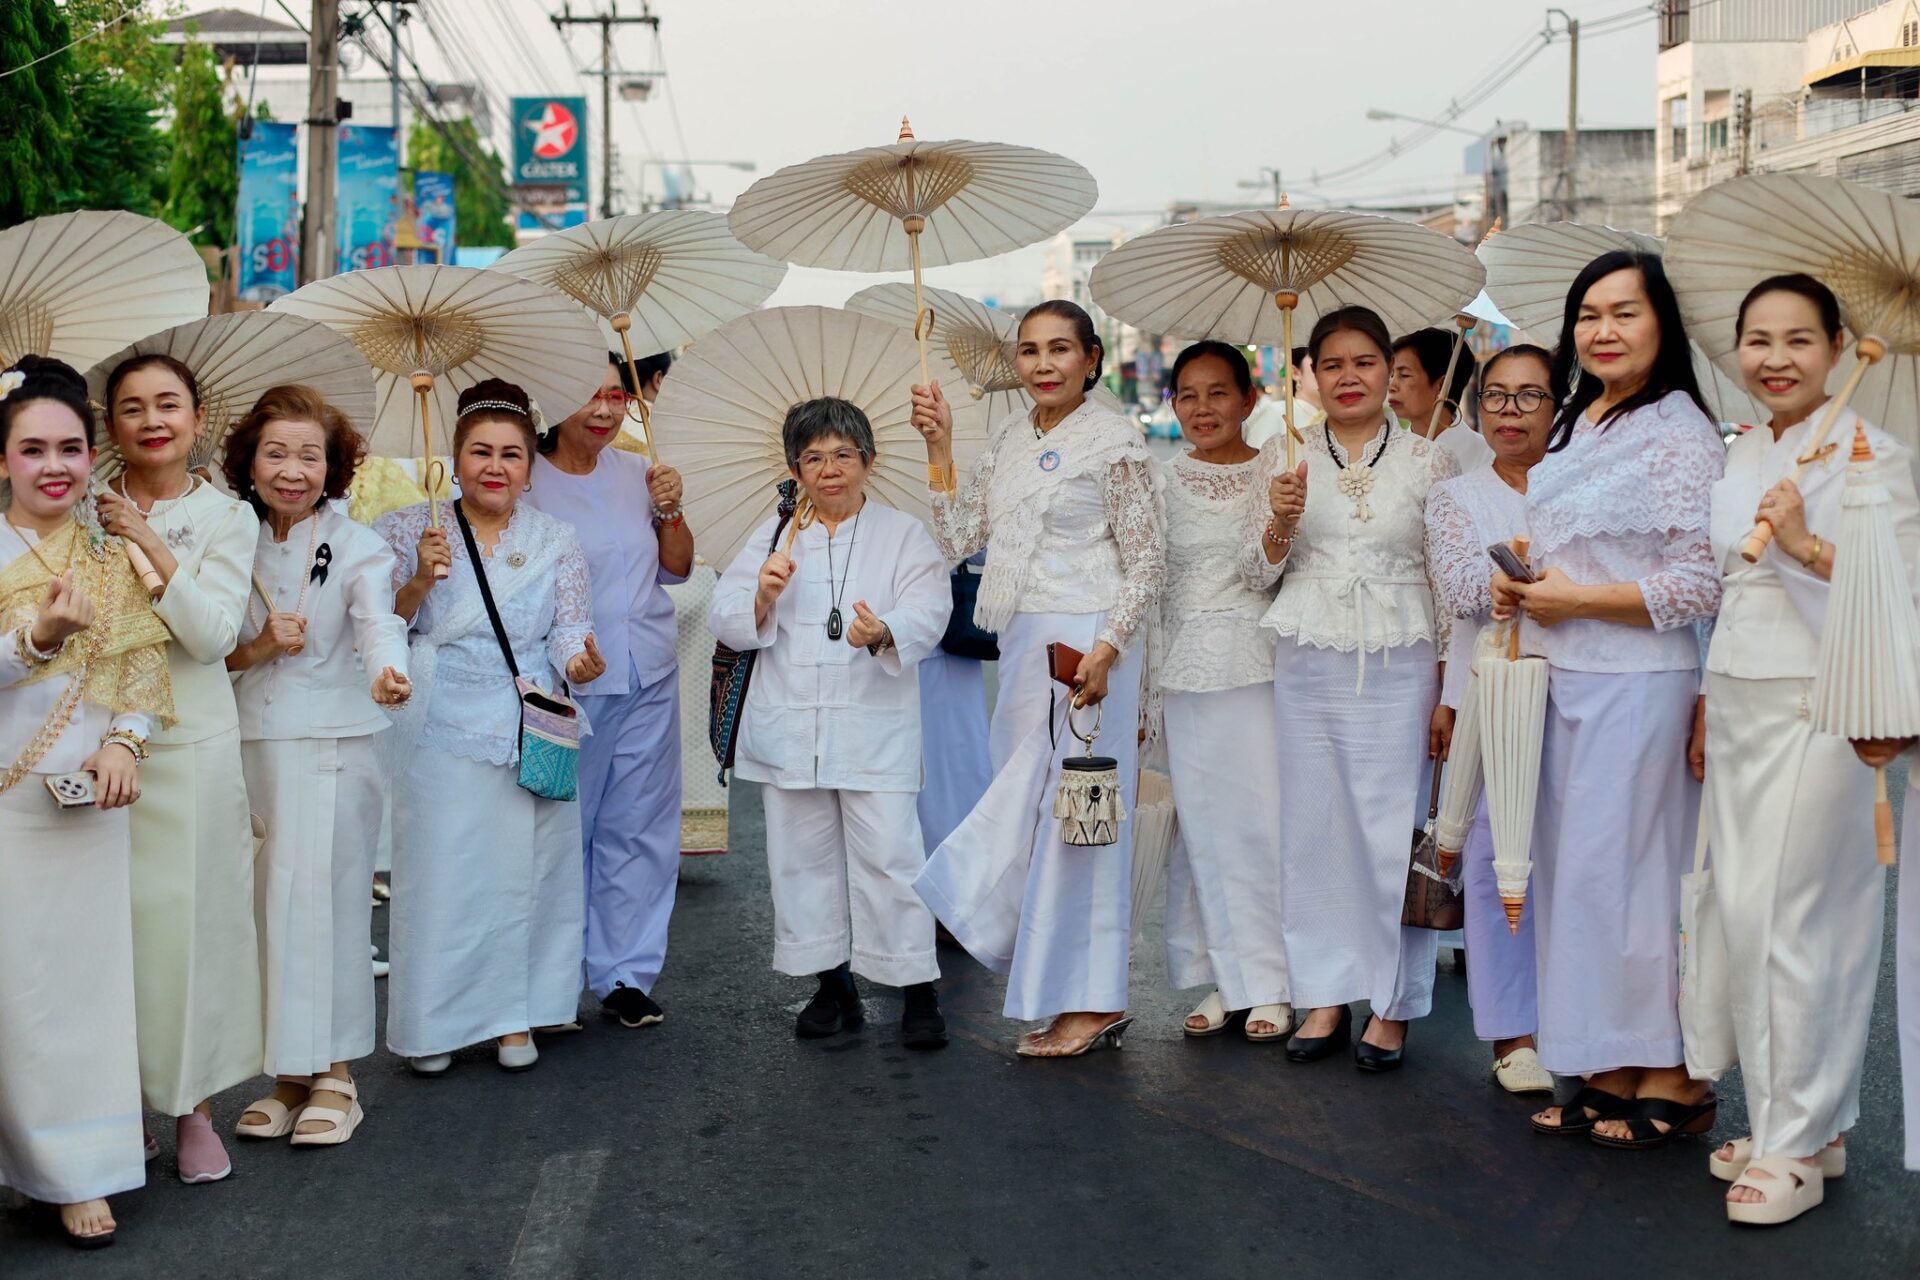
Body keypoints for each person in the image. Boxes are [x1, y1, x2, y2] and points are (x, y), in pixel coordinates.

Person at [1493, 250, 1725, 1146]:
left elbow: (1700, 580)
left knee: (1636, 880)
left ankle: (1675, 1070)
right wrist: (1527, 577)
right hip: (1562, 676)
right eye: (1589, 314)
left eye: (1625, 312)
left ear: (1662, 323)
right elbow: (1574, 545)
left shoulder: (1680, 431)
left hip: (1638, 682)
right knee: (1584, 882)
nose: (1603, 331)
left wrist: (1579, 600)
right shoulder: (1575, 420)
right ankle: (1608, 1065)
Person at [1699, 275, 1916, 1223]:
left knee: (1797, 919)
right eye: (1759, 339)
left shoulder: (1878, 453)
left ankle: (1792, 1138)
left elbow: (1900, 595)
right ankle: (1805, 1124)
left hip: (1825, 705)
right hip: (1738, 697)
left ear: (1836, 346)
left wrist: (1804, 544)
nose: (1775, 358)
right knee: (1746, 917)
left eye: (1798, 339)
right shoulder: (1747, 449)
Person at [910, 299, 1166, 1057]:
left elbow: (1147, 560)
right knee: (1028, 813)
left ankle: (1095, 1000)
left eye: (1060, 349)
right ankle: (1058, 990)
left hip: (1091, 649)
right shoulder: (1010, 441)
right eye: (1029, 350)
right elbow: (959, 538)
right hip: (1026, 645)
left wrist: (1109, 648)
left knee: (1080, 822)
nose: (1043, 364)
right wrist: (940, 445)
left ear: (1092, 359)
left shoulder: (1115, 441)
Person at [1241, 306, 1457, 1073]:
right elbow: (1255, 572)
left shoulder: (1428, 461)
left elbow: (1446, 582)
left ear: (1389, 370)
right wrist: (1278, 521)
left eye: (1365, 362)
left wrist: (1448, 688)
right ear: (1310, 374)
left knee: (1388, 829)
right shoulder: (1283, 452)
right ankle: (1325, 994)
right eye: (1331, 364)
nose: (1349, 377)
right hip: (1309, 661)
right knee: (1316, 828)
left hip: (1402, 665)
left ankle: (1392, 1004)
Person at [375, 380, 604, 1076]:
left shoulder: (555, 539)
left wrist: (580, 660)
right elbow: (381, 628)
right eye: (480, 451)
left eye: (511, 454)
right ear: (455, 458)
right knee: (441, 875)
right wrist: (419, 579)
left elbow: (569, 628)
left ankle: (515, 1019)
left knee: (525, 877)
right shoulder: (405, 528)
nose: (495, 467)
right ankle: (433, 1026)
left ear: (530, 467)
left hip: (526, 722)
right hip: (438, 719)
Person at [708, 397, 953, 1047]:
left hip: (873, 726)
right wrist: (761, 595)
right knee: (800, 860)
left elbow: (932, 607)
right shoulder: (774, 536)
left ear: (868, 461)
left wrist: (885, 631)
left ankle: (916, 988)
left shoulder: (902, 534)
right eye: (813, 458)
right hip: (792, 729)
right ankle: (831, 984)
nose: (830, 469)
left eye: (843, 454)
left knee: (890, 857)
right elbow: (724, 614)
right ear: (795, 469)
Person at [0, 356, 175, 1248]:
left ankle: (75, 1171)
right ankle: (21, 1164)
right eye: (33, 449)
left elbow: (142, 671)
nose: (54, 466)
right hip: (5, 809)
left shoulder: (109, 557)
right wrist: (34, 640)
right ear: (2, 459)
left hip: (86, 809)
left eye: (70, 448)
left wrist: (123, 742)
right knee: (14, 997)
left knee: (80, 993)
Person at [221, 386, 411, 1148]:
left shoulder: (358, 545)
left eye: (310, 455)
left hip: (336, 741)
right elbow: (210, 647)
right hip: (252, 743)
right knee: (269, 910)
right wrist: (261, 646)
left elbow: (378, 622)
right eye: (276, 453)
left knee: (328, 905)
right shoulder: (229, 539)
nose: (292, 471)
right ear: (249, 462)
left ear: (333, 468)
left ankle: (336, 1074)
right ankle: (287, 1076)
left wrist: (388, 672)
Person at [95, 354, 262, 1185]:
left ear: (198, 418)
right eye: (132, 407)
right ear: (110, 423)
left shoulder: (229, 517)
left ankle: (192, 1105)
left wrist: (147, 538)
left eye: (168, 404)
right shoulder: (77, 501)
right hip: (88, 744)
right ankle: (113, 1102)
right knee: (102, 936)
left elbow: (213, 637)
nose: (152, 421)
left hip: (188, 746)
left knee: (187, 935)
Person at [528, 354, 691, 1030]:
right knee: (564, 830)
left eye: (616, 395)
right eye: (587, 394)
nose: (603, 410)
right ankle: (551, 984)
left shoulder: (639, 473)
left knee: (640, 827)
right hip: (568, 684)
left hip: (648, 669)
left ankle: (625, 973)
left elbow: (677, 568)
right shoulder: (526, 479)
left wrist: (670, 510)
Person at [1422, 343, 1562, 1094]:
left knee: (1573, 855)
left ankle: (1578, 1020)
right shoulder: (1457, 495)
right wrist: (1506, 586)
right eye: (1496, 396)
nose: (1510, 411)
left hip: (1580, 685)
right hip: (1492, 691)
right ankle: (1513, 1035)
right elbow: (1456, 589)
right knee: (1492, 852)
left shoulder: (1580, 483)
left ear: (1558, 406)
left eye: (1529, 395)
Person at [1155, 341, 1289, 1041]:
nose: (1202, 408)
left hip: (1254, 667)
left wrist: (1281, 522)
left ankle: (1274, 982)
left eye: (1218, 393)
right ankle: (1224, 978)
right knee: (1202, 829)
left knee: (1260, 824)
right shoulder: (1158, 478)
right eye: (1188, 394)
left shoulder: (1279, 469)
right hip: (1181, 672)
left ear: (1249, 399)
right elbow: (1147, 579)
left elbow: (1263, 573)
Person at [1391, 328, 1490, 472]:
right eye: (1391, 375)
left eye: (1405, 375)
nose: (1391, 386)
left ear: (1442, 385)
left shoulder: (1488, 457)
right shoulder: (1387, 454)